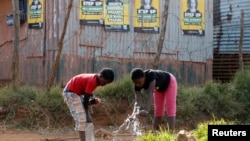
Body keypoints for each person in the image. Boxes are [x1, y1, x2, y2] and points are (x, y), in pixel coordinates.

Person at [62, 68, 115, 141]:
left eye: (106, 84)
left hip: (76, 94)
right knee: (82, 119)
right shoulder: (93, 81)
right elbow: (85, 99)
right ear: (101, 76)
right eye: (105, 82)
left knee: (85, 119)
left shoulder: (95, 79)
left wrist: (92, 101)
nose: (104, 85)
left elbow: (86, 99)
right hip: (71, 93)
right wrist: (87, 114)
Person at [130, 68, 177, 132]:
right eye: (135, 83)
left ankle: (171, 134)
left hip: (169, 82)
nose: (137, 84)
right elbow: (137, 101)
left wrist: (146, 110)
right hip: (158, 88)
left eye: (139, 82)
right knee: (158, 111)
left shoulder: (151, 75)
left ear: (144, 77)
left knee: (170, 110)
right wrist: (133, 114)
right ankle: (155, 134)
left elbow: (150, 92)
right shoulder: (137, 85)